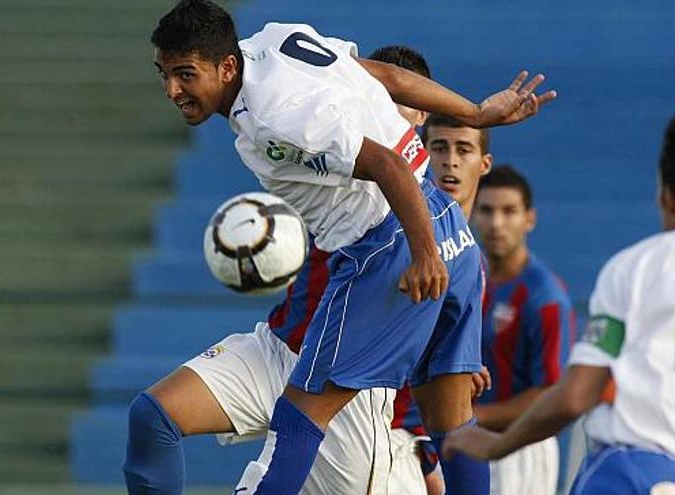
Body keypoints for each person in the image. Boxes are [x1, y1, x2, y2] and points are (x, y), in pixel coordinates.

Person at [141, 1, 558, 494]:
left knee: (297, 421)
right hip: (454, 233)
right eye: (165, 74)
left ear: (226, 66)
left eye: (185, 75)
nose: (173, 90)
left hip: (388, 245)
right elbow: (387, 75)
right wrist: (474, 112)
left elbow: (389, 166)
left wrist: (423, 255)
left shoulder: (277, 121)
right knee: (454, 423)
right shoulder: (276, 40)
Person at [444, 103, 675, 495]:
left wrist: (495, 443)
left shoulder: (639, 265)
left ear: (668, 197)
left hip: (633, 473)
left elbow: (575, 395)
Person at [390, 113, 496, 495]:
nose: (450, 160)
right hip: (385, 430)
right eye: (439, 147)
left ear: (484, 163)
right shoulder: (403, 239)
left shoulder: (469, 255)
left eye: (463, 149)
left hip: (424, 438)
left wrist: (463, 364)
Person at [471, 165, 574, 495]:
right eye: (486, 210)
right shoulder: (469, 279)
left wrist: (473, 416)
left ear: (529, 219)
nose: (496, 223)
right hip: (467, 439)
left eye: (509, 211)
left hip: (522, 448)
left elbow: (549, 393)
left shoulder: (544, 297)